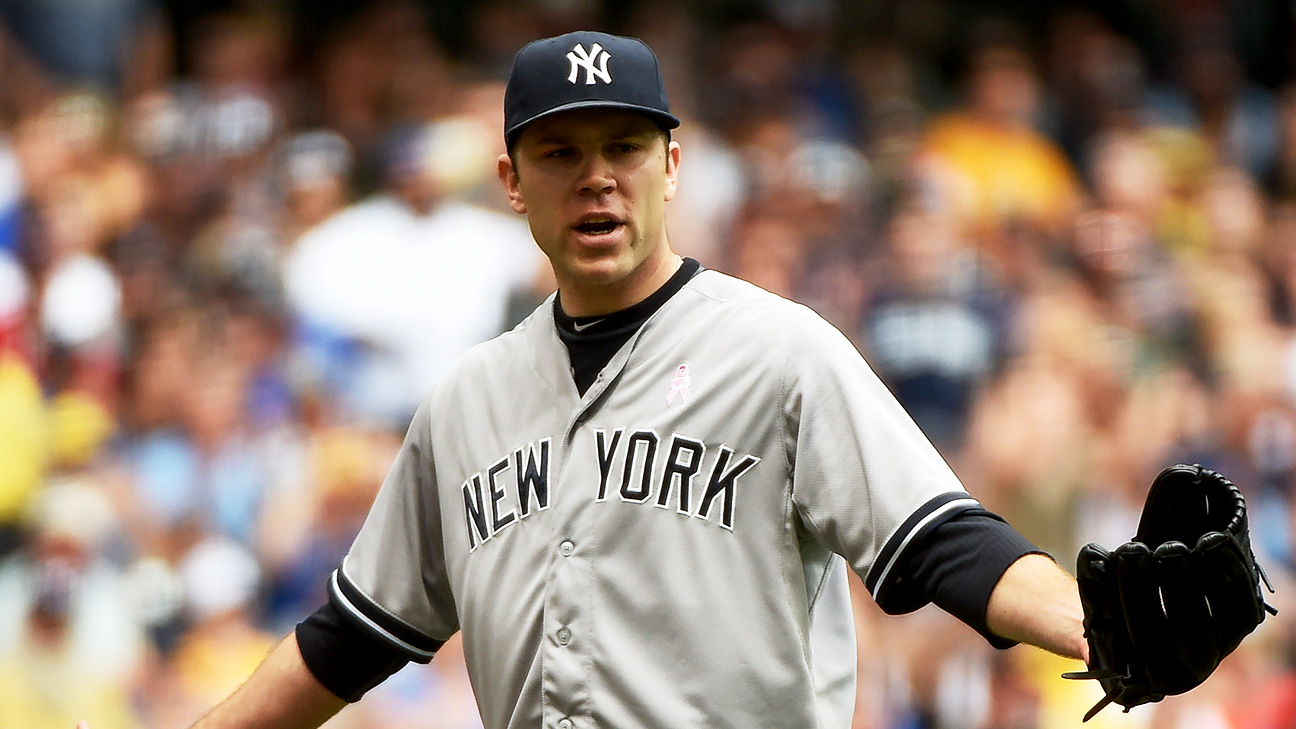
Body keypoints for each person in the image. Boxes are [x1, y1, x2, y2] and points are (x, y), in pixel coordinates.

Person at [83, 30, 1087, 729]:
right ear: (513, 182)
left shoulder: (781, 350)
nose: (597, 177)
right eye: (561, 152)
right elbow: (348, 639)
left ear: (674, 166)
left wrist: (1098, 626)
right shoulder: (466, 401)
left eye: (625, 148)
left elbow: (945, 541)